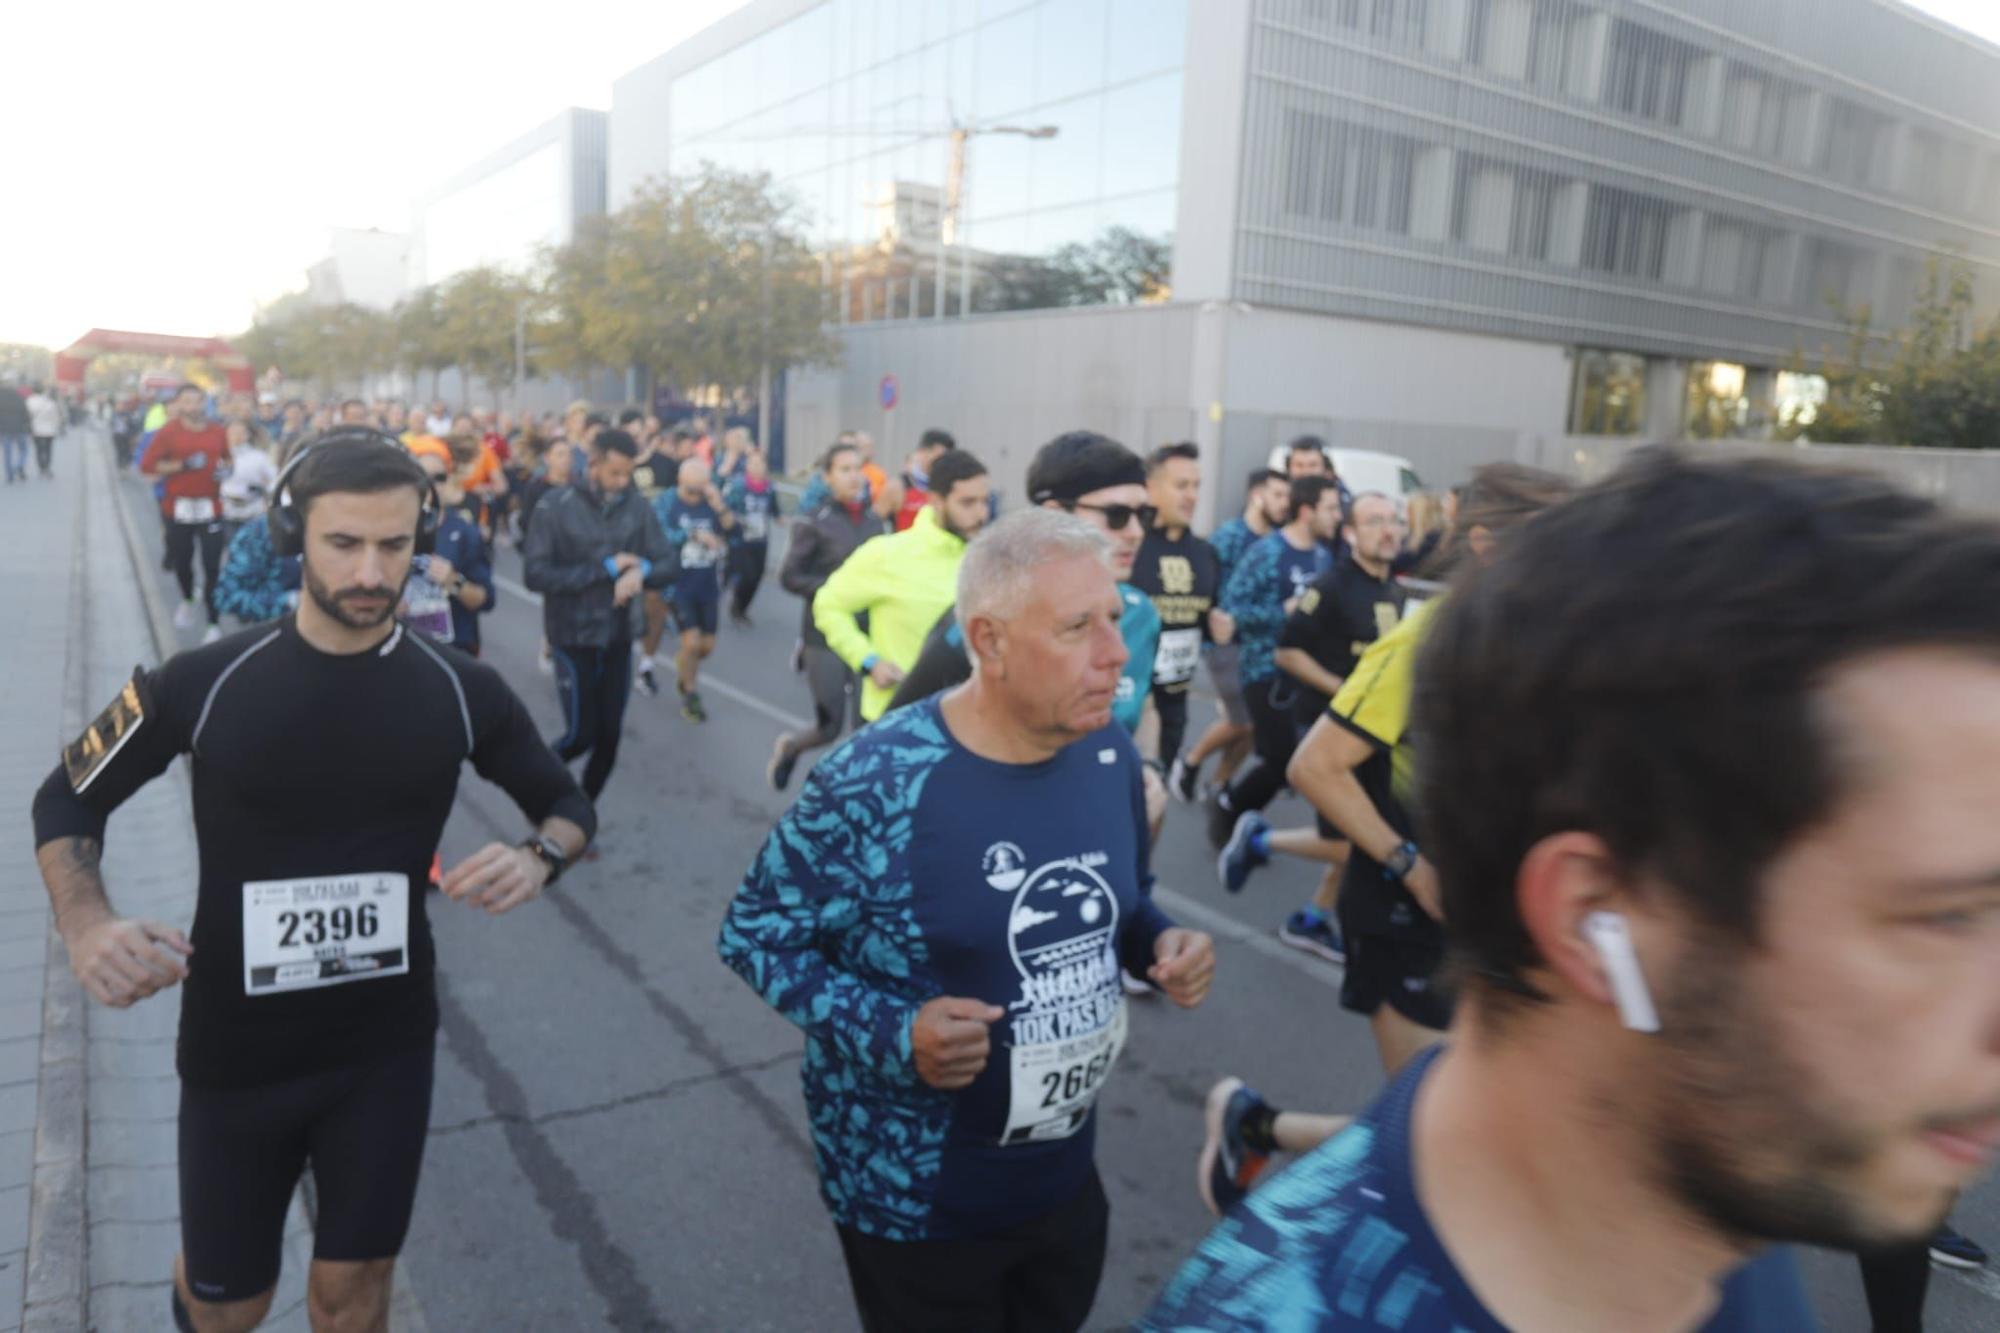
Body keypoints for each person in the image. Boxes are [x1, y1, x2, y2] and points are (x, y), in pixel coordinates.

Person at [1147, 447, 2000, 1331]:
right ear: (1599, 918)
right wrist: (1409, 866)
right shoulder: (1282, 1312)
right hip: (1407, 913)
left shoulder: (1728, 1201)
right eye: (1939, 916)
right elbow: (1321, 760)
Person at [30, 429, 596, 1333]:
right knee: (232, 1308)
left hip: (384, 1045)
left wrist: (542, 857)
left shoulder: (461, 690)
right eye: (344, 544)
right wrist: (87, 923)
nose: (373, 570)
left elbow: (567, 803)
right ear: (295, 537)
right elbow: (64, 796)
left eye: (395, 545)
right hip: (236, 1054)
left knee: (352, 1293)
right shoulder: (201, 682)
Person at [720, 508, 1216, 1333]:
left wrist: (1160, 939)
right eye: (1077, 627)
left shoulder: (1108, 753)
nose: (1116, 651)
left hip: (1063, 1180)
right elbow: (755, 932)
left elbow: (1119, 901)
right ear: (987, 641)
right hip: (917, 1198)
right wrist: (895, 1028)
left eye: (1112, 618)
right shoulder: (878, 778)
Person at [1218, 493, 1410, 964]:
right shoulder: (1332, 586)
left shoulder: (1396, 592)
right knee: (1356, 841)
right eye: (1373, 521)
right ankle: (1261, 839)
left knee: (1365, 833)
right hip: (1329, 730)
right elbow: (1287, 653)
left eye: (1393, 521)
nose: (1387, 530)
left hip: (1374, 735)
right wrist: (1345, 689)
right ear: (1349, 533)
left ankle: (1312, 918)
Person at [522, 428, 677, 805]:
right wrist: (605, 569)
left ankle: (581, 811)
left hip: (619, 635)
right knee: (581, 735)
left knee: (610, 737)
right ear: (592, 464)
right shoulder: (554, 506)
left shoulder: (637, 507)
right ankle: (531, 787)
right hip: (572, 636)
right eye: (615, 474)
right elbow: (535, 575)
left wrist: (641, 570)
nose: (623, 483)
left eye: (628, 475)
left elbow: (668, 561)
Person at [1204, 475, 1342, 847]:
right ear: (1306, 510)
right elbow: (1232, 610)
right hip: (1264, 671)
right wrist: (1283, 611)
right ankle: (1230, 808)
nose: (1337, 516)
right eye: (1331, 508)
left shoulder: (1323, 556)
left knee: (1287, 764)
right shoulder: (1268, 552)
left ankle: (1240, 821)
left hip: (1306, 673)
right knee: (1284, 761)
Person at [811, 450, 991, 724]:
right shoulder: (888, 554)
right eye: (968, 503)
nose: (981, 514)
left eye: (984, 501)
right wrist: (869, 662)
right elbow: (828, 605)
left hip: (963, 727)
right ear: (936, 501)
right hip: (892, 722)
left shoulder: (988, 561)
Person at [768, 442, 884, 791]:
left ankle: (854, 796)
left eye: (857, 468)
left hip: (867, 635)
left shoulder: (875, 521)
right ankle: (791, 747)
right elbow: (789, 576)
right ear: (827, 477)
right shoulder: (814, 520)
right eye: (845, 469)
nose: (854, 476)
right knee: (829, 726)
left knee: (866, 725)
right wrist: (835, 592)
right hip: (824, 635)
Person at [1170, 470, 1288, 804]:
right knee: (1243, 719)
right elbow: (1205, 583)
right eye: (1277, 495)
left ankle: (1219, 783)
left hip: (1259, 646)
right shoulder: (1230, 536)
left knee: (1252, 726)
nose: (1284, 503)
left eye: (1286, 496)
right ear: (1257, 495)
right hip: (1224, 644)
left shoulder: (1277, 541)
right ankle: (1190, 762)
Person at [1130, 442, 1228, 770]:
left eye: (1197, 486)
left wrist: (1220, 629)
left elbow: (1208, 621)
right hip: (1129, 701)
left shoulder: (1205, 553)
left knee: (1157, 798)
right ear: (1151, 489)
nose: (1192, 496)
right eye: (1181, 486)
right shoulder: (1130, 547)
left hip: (1175, 702)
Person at [144, 384, 232, 644]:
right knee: (183, 562)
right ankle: (188, 598)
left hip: (211, 508)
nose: (194, 406)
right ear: (179, 405)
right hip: (178, 508)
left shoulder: (218, 431)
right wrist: (182, 465)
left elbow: (228, 459)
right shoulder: (168, 432)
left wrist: (226, 471)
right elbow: (148, 466)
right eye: (188, 402)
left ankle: (213, 622)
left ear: (205, 403)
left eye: (198, 401)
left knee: (212, 566)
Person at [652, 457, 736, 722]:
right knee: (691, 641)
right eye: (691, 490)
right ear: (680, 481)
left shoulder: (711, 503)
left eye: (700, 489)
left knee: (706, 647)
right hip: (678, 584)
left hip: (707, 584)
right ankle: (689, 691)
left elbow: (733, 530)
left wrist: (719, 505)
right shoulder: (667, 502)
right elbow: (659, 535)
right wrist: (693, 535)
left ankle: (685, 667)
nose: (695, 495)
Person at [406, 450, 494, 656]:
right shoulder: (390, 529)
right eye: (423, 476)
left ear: (448, 482)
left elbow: (485, 600)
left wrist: (452, 581)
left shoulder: (465, 532)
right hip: (404, 648)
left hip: (453, 649)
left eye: (439, 477)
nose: (431, 484)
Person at [626, 419, 678, 697]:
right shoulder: (621, 469)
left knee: (656, 604)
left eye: (641, 434)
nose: (637, 438)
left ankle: (646, 666)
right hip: (624, 547)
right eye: (632, 434)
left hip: (656, 547)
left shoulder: (667, 465)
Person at [723, 447, 780, 626]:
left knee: (757, 576)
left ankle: (742, 608)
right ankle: (736, 604)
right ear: (747, 465)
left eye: (761, 463)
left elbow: (774, 509)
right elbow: (725, 508)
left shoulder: (769, 487)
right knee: (746, 575)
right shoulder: (738, 485)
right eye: (753, 463)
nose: (757, 467)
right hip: (741, 539)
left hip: (761, 538)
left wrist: (780, 518)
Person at [218, 420, 279, 537]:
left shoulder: (259, 457)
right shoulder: (219, 456)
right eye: (233, 432)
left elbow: (274, 479)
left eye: (241, 433)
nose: (237, 436)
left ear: (247, 435)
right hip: (227, 510)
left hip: (253, 510)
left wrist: (264, 489)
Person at [893, 427, 957, 531]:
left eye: (945, 457)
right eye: (937, 455)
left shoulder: (951, 487)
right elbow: (875, 524)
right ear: (921, 452)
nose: (940, 462)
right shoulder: (898, 486)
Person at [26, 382, 63, 480]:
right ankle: (47, 466)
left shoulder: (29, 401)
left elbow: (27, 416)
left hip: (36, 429)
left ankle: (41, 467)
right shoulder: (49, 401)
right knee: (48, 449)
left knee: (39, 450)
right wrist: (57, 427)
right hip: (49, 430)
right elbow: (56, 416)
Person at [0, 382, 32, 483]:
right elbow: (26, 415)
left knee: (7, 453)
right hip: (19, 429)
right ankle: (19, 466)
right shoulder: (19, 398)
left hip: (4, 430)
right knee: (23, 450)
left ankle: (9, 475)